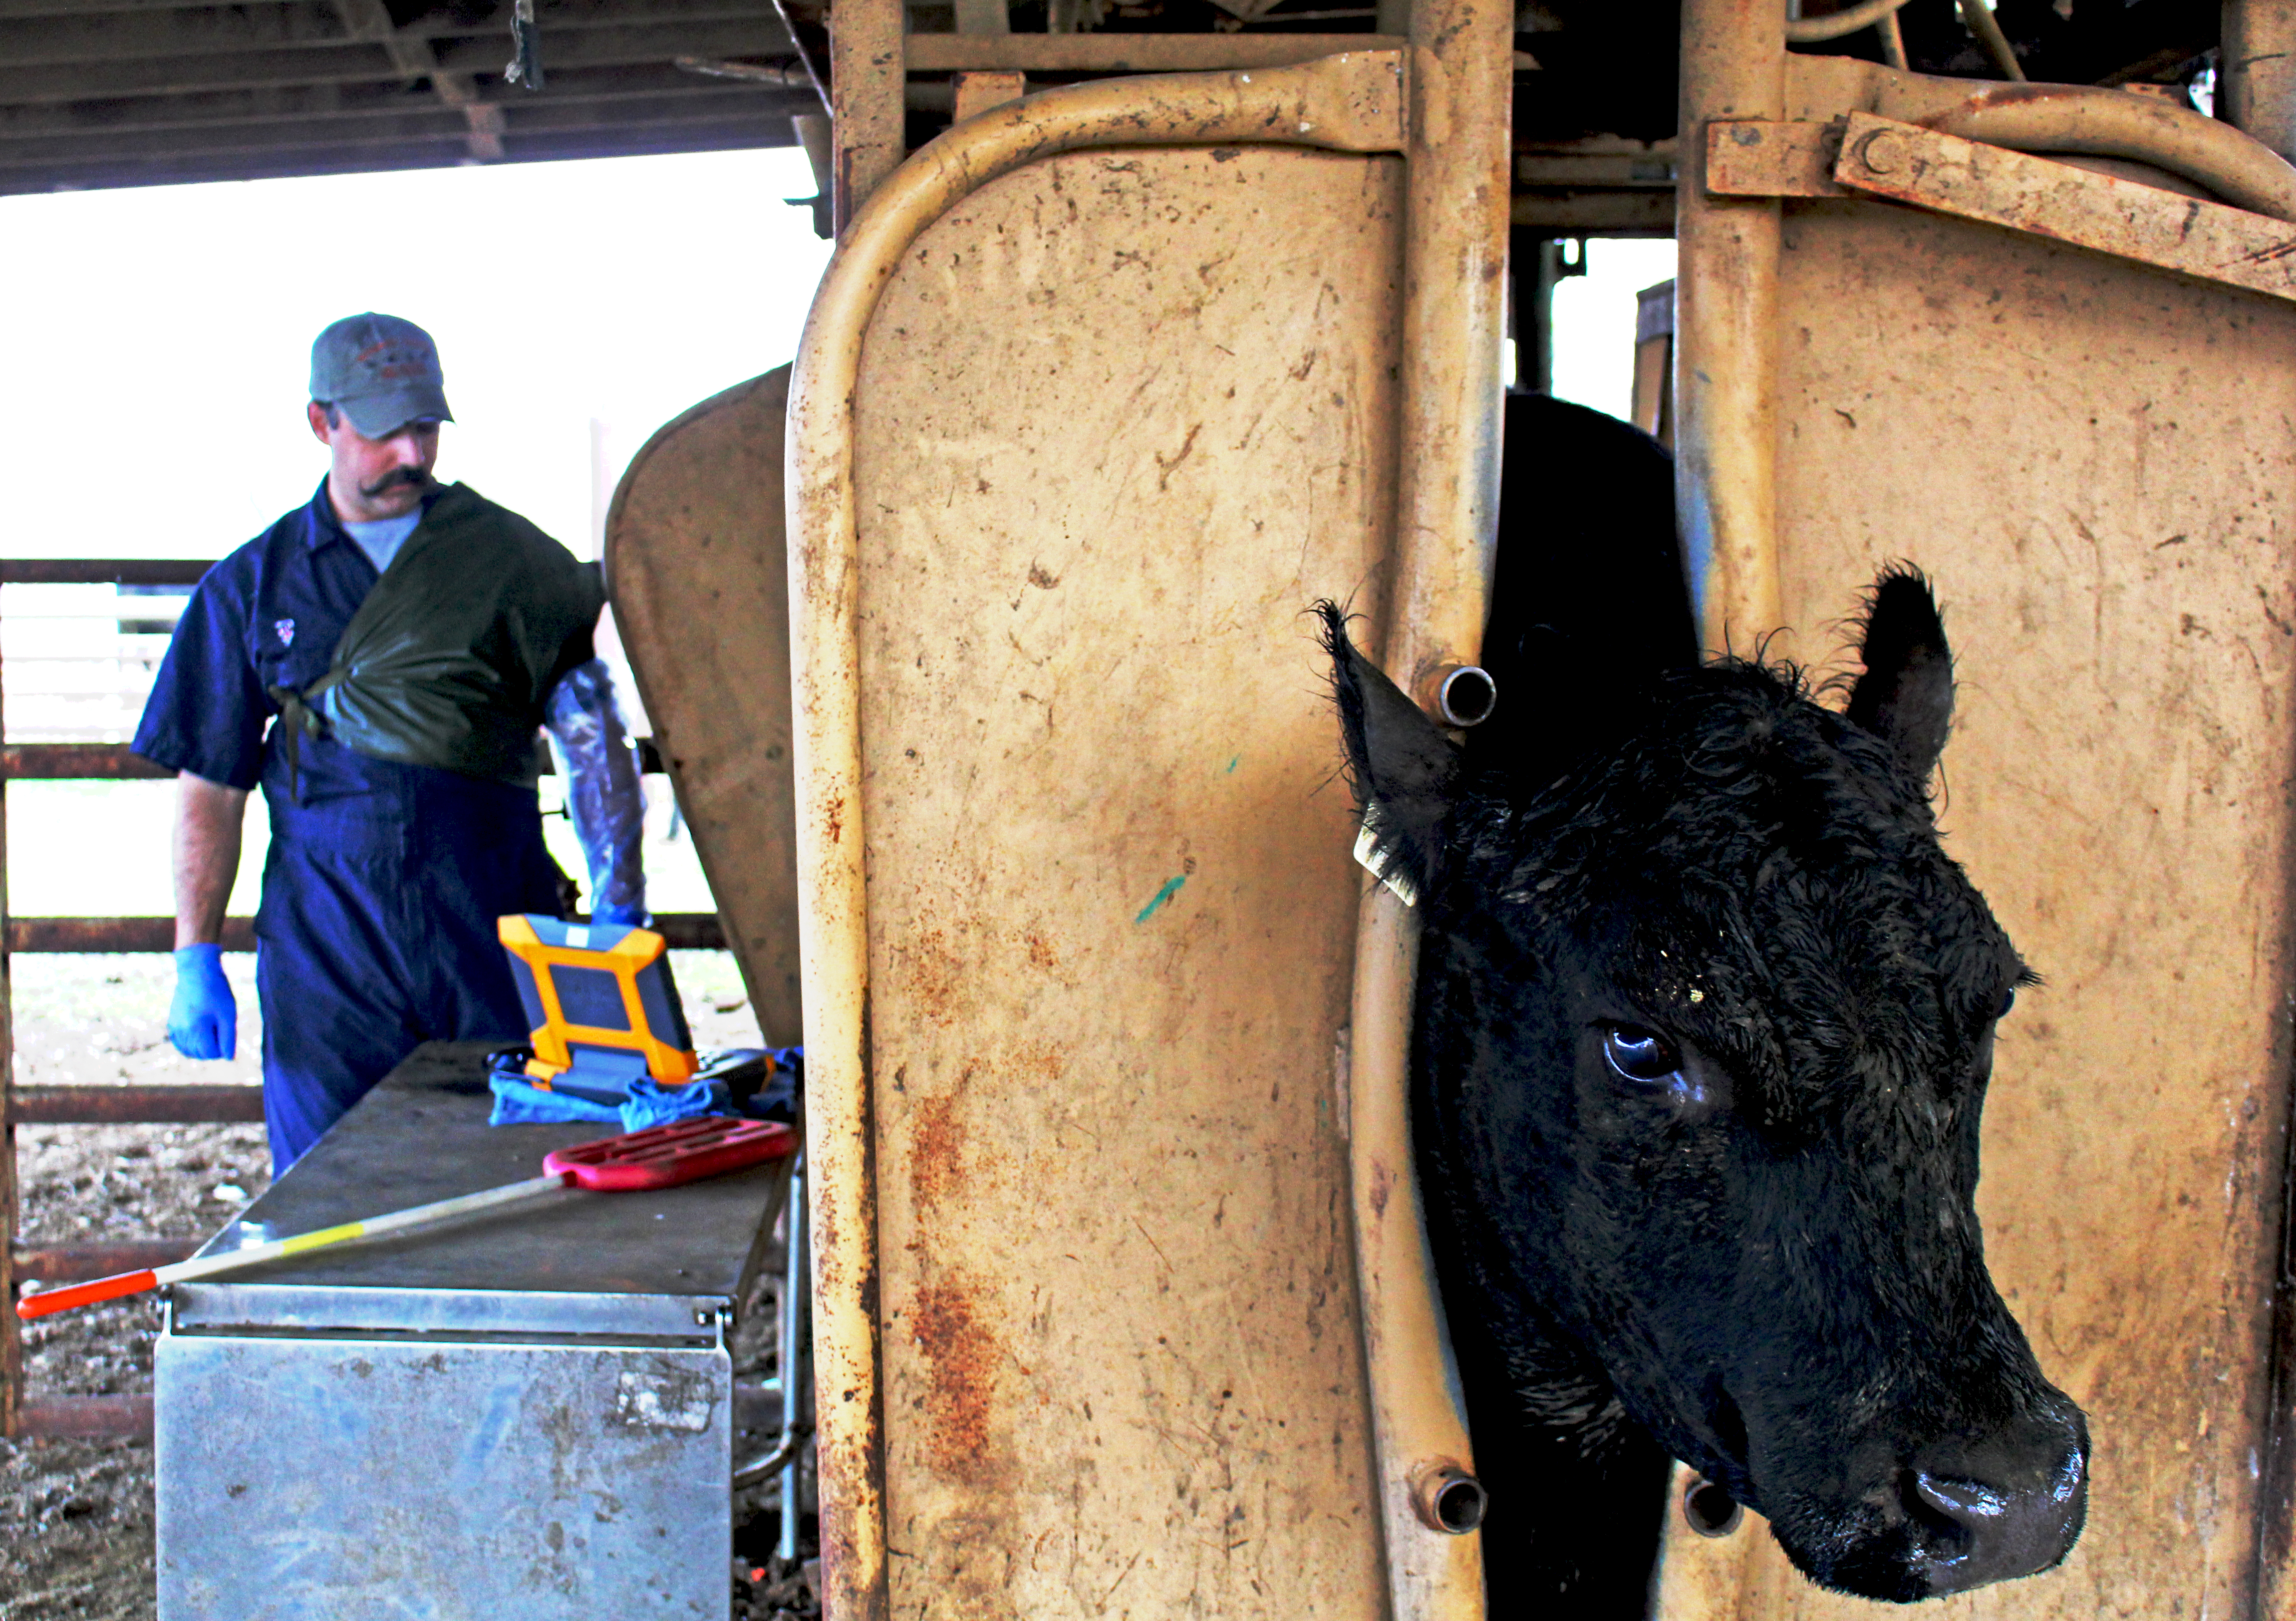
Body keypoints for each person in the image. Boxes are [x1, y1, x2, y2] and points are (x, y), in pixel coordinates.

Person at [132, 313, 647, 1171]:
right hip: (327, 950)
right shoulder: (255, 585)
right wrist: (195, 952)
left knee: (506, 1182)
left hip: (492, 930)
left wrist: (620, 900)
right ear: (321, 422)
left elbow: (591, 731)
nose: (412, 454)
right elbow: (210, 787)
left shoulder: (513, 562)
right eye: (384, 432)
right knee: (326, 1188)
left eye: (426, 428)